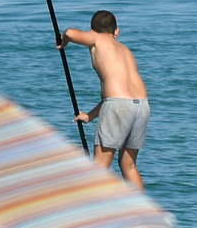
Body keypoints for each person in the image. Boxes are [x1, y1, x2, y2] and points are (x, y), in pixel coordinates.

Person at [59, 10, 150, 190]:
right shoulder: (126, 50)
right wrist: (90, 116)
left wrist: (64, 40)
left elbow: (69, 32)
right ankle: (139, 212)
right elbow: (120, 96)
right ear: (117, 32)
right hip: (142, 106)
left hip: (118, 105)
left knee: (98, 169)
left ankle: (94, 212)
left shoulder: (97, 39)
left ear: (92, 31)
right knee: (129, 165)